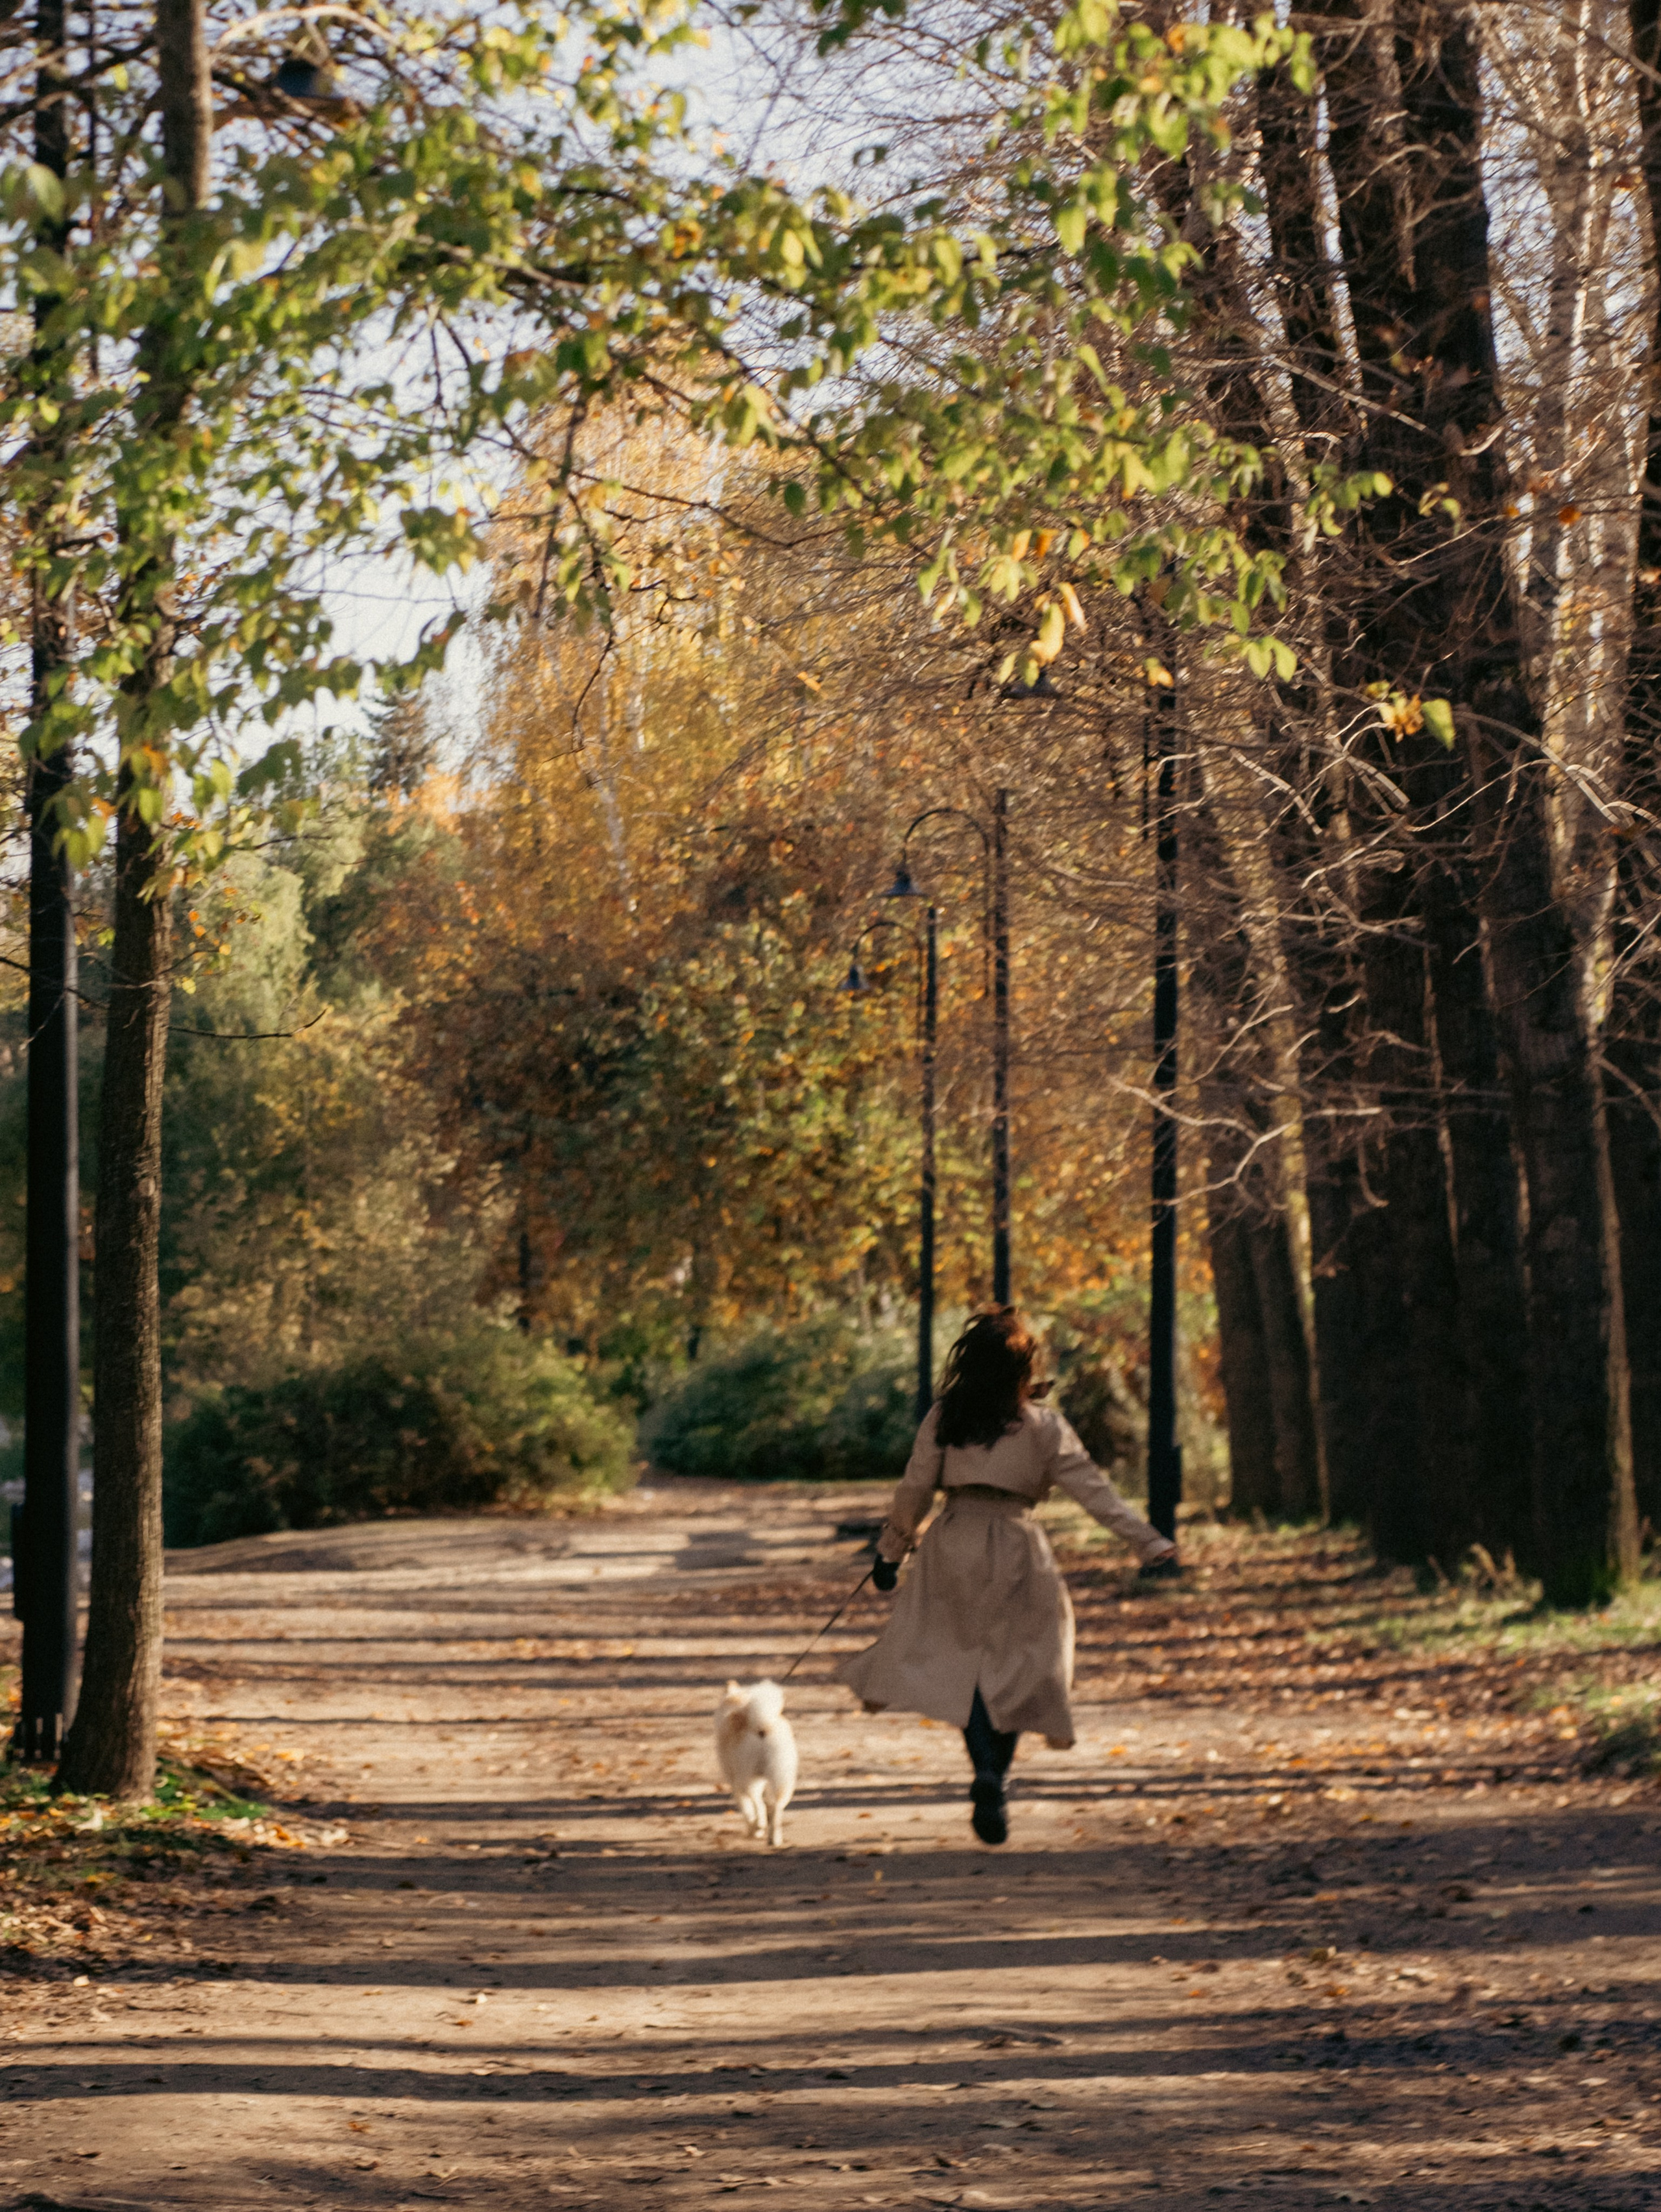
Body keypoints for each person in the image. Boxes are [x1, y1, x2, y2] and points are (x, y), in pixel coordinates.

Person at [837, 1308, 1178, 1845]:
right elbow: (1094, 1490)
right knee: (1025, 1664)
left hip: (954, 1543)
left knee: (963, 1664)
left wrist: (891, 1552)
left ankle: (984, 1772)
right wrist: (1147, 1540)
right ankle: (998, 1773)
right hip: (1018, 1545)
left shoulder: (946, 1418)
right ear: (1024, 1367)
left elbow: (914, 1489)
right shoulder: (1044, 1427)